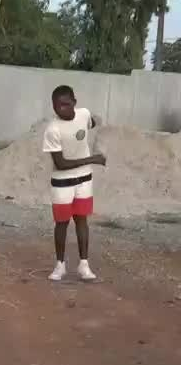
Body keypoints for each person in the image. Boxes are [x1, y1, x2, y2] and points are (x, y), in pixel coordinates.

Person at [42, 85, 106, 282]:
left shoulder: (84, 114)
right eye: (56, 106)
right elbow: (60, 164)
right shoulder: (52, 130)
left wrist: (94, 123)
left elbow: (92, 122)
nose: (60, 109)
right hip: (62, 183)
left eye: (65, 104)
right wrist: (92, 159)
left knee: (81, 220)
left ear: (74, 103)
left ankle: (84, 265)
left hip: (84, 180)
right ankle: (60, 265)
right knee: (62, 223)